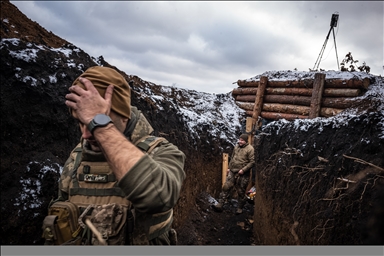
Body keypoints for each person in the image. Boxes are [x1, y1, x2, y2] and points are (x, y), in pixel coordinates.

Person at [43, 66, 186, 245]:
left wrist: (101, 126)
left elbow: (159, 196)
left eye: (98, 119)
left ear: (124, 116)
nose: (86, 134)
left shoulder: (163, 152)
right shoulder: (76, 159)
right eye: (82, 122)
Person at [212, 133, 254, 214]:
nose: (240, 141)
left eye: (242, 140)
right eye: (239, 140)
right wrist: (229, 168)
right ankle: (220, 204)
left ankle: (240, 208)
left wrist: (243, 170)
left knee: (241, 191)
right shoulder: (236, 147)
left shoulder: (250, 149)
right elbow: (232, 158)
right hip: (232, 171)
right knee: (226, 187)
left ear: (245, 141)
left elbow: (252, 162)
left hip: (243, 174)